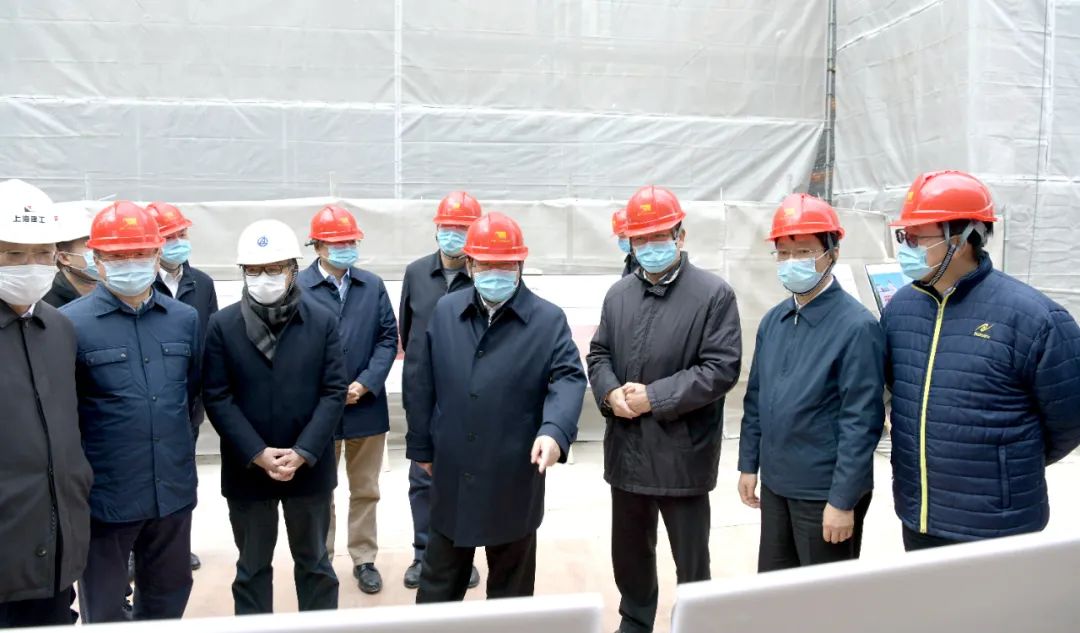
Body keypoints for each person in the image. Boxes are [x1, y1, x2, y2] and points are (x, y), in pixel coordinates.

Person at [882, 170, 1080, 551]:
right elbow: (896, 390)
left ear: (961, 239)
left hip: (997, 524)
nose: (908, 248)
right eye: (904, 237)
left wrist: (1008, 461)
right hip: (918, 513)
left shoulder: (1035, 319)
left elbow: (1069, 420)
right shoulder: (900, 310)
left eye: (918, 238)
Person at [406, 211, 586, 603]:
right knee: (438, 587)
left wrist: (554, 431)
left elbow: (569, 378)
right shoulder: (446, 311)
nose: (495, 274)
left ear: (520, 264)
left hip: (514, 472)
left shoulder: (547, 320)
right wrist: (421, 446)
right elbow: (423, 381)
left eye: (505, 265)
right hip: (453, 469)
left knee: (511, 594)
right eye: (486, 265)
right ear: (469, 264)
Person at [587, 185, 742, 633]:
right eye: (641, 239)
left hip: (681, 453)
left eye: (659, 236)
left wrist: (654, 397)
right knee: (630, 550)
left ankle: (697, 622)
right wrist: (610, 393)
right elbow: (598, 354)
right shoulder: (619, 295)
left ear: (680, 235)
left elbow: (720, 368)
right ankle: (635, 619)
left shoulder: (713, 294)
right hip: (627, 450)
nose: (650, 247)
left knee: (690, 556)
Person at [60, 201, 200, 623]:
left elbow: (192, 396)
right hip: (106, 497)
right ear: (97, 260)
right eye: (118, 256)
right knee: (104, 608)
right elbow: (66, 413)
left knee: (168, 598)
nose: (131, 263)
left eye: (140, 253)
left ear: (157, 255)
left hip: (171, 492)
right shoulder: (69, 324)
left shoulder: (184, 319)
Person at [202, 219, 347, 614]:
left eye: (273, 268)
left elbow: (333, 392)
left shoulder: (322, 321)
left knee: (315, 564)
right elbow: (217, 396)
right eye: (253, 270)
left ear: (293, 270)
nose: (262, 278)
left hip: (309, 467)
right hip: (248, 469)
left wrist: (303, 452)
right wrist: (257, 452)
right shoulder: (223, 325)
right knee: (251, 568)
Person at [737, 193, 884, 571]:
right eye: (783, 254)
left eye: (803, 252)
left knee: (823, 596)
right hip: (776, 484)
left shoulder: (857, 327)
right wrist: (749, 463)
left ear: (832, 253)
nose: (791, 262)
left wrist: (843, 500)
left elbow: (861, 421)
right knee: (776, 586)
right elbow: (756, 398)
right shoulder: (774, 321)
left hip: (823, 491)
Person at [0, 180, 93, 628]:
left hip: (55, 553)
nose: (31, 266)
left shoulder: (59, 329)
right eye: (14, 254)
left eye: (41, 253)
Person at [298, 205, 398, 595]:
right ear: (317, 246)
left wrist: (366, 383)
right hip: (318, 411)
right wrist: (328, 390)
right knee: (320, 490)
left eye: (350, 241)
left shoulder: (371, 286)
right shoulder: (298, 287)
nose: (346, 248)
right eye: (338, 242)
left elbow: (388, 338)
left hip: (366, 407)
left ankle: (364, 558)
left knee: (366, 488)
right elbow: (291, 346)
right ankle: (320, 559)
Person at [399, 190, 483, 591]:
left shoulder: (483, 276)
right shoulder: (416, 273)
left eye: (463, 229)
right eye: (448, 227)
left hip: (466, 395)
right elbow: (407, 331)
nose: (454, 235)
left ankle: (462, 555)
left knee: (466, 476)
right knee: (422, 476)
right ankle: (422, 553)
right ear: (436, 229)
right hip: (422, 392)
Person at [146, 201, 218, 572]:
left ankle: (178, 546)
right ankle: (137, 550)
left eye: (181, 234)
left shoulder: (201, 284)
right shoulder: (141, 283)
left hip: (188, 401)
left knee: (182, 476)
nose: (177, 241)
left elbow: (211, 340)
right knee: (142, 475)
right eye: (168, 236)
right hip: (147, 397)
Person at [43, 201, 97, 307]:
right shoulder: (47, 301)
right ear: (64, 257)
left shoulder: (117, 291)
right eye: (91, 245)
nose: (104, 251)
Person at [611, 207, 637, 277]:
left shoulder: (646, 262)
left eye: (623, 236)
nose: (621, 241)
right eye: (619, 237)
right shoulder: (632, 257)